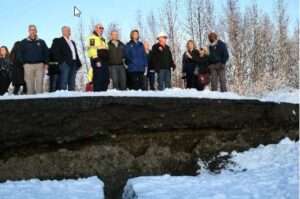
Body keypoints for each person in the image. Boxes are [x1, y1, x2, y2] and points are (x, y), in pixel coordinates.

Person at [19, 25, 48, 94]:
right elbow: (19, 54)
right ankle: (30, 101)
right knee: (29, 85)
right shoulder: (23, 42)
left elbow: (46, 53)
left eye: (34, 30)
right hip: (28, 65)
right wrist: (23, 63)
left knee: (40, 84)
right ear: (28, 31)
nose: (32, 31)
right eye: (31, 30)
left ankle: (40, 100)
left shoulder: (41, 42)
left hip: (40, 65)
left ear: (36, 31)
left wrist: (46, 63)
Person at [51, 26, 81, 91]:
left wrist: (79, 63)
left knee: (72, 82)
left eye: (69, 30)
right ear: (63, 32)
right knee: (63, 82)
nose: (69, 31)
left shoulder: (72, 42)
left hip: (74, 63)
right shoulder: (58, 40)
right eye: (67, 30)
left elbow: (75, 53)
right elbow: (55, 52)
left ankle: (72, 97)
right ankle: (62, 98)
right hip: (65, 64)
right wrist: (62, 62)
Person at [87, 23, 110, 92]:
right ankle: (97, 94)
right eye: (100, 28)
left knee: (105, 77)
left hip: (105, 61)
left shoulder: (103, 39)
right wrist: (96, 59)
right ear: (96, 29)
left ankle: (104, 93)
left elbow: (106, 49)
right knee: (98, 77)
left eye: (102, 28)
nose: (101, 29)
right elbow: (91, 49)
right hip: (97, 59)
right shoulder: (92, 38)